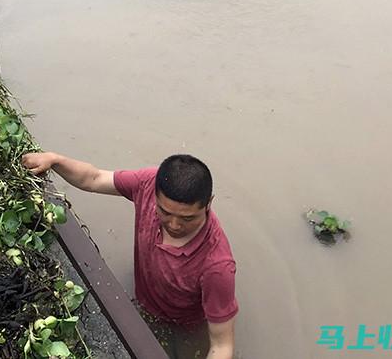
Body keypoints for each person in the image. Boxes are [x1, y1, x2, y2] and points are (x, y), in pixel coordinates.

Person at [22, 152, 237, 359]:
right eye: (165, 212)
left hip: (180, 324)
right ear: (155, 194)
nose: (174, 225)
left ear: (209, 203)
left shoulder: (217, 267)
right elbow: (94, 178)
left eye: (187, 219)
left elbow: (222, 345)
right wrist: (55, 160)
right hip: (143, 297)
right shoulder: (148, 182)